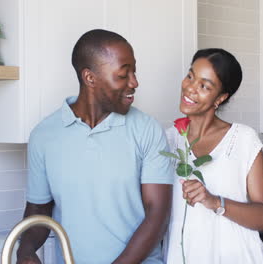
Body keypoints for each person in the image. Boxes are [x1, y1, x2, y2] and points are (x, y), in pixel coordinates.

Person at [17, 29, 174, 264]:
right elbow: (39, 211)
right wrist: (26, 250)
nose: (134, 82)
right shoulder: (44, 135)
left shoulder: (147, 129)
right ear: (90, 78)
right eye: (123, 75)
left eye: (134, 71)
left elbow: (158, 214)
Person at [163, 48, 263, 263]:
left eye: (204, 86)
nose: (190, 88)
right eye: (190, 76)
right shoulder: (166, 141)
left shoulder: (243, 139)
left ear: (221, 97)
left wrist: (214, 201)